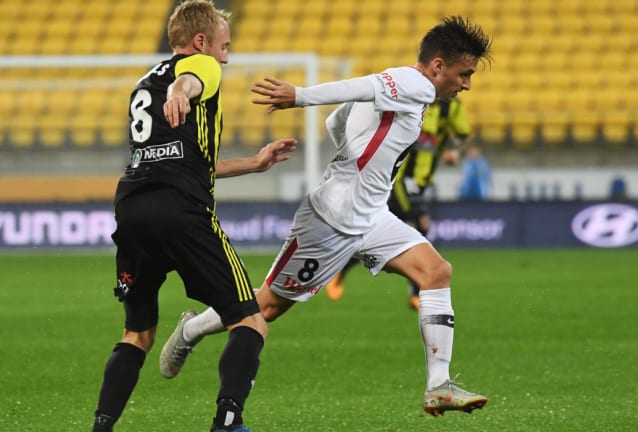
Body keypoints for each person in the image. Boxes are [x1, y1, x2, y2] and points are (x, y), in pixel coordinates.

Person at [159, 16, 492, 417]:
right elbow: (359, 87)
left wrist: (355, 162)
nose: (466, 84)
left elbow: (339, 120)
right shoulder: (416, 84)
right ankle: (190, 330)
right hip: (331, 220)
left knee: (436, 272)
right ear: (438, 66)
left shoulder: (402, 89)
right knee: (266, 308)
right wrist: (299, 96)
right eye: (464, 74)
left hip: (372, 215)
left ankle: (438, 386)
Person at [91, 2, 297, 432]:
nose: (226, 57)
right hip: (181, 210)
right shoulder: (200, 66)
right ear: (201, 42)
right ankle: (228, 423)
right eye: (224, 46)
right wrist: (180, 92)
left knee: (138, 334)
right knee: (251, 320)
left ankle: (101, 427)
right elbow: (190, 79)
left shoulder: (143, 84)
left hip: (131, 207)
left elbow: (185, 161)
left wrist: (254, 163)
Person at [325, 98, 471, 309]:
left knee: (382, 233)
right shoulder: (411, 97)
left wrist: (455, 150)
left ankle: (341, 267)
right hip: (399, 179)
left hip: (421, 182)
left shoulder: (452, 106)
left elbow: (462, 136)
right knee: (420, 225)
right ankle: (416, 293)